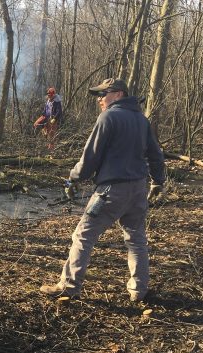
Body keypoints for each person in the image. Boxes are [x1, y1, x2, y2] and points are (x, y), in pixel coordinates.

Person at [39, 78, 165, 302]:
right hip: (138, 189)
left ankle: (69, 286)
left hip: (110, 191)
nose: (99, 99)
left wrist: (73, 178)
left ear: (117, 94)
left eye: (102, 94)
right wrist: (157, 182)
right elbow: (156, 155)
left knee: (83, 235)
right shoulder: (141, 120)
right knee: (136, 238)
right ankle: (139, 290)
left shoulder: (109, 117)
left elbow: (90, 157)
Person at [33, 87, 63, 152]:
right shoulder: (48, 100)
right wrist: (42, 116)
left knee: (51, 135)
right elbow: (45, 110)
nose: (49, 96)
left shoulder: (57, 102)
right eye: (48, 94)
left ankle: (51, 150)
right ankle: (44, 133)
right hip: (45, 116)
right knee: (36, 124)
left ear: (53, 94)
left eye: (50, 95)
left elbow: (59, 111)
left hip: (52, 119)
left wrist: (54, 119)